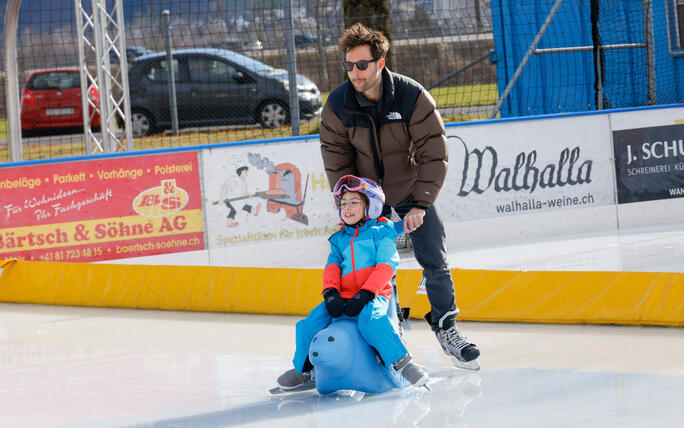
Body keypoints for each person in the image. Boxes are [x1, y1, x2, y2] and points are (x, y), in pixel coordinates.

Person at [318, 23, 480, 366]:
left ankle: (446, 327)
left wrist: (421, 202)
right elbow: (337, 161)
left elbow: (433, 151)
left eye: (362, 65)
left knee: (435, 259)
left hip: (409, 190)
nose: (354, 73)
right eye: (348, 66)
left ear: (380, 62)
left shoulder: (411, 96)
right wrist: (351, 203)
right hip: (369, 198)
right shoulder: (338, 105)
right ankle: (391, 325)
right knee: (372, 264)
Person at [276, 175, 428, 391]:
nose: (347, 208)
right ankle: (305, 370)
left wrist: (366, 293)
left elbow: (386, 265)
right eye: (343, 203)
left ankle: (403, 362)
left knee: (372, 321)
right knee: (307, 325)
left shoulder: (382, 232)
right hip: (344, 294)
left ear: (372, 206)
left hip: (374, 294)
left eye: (354, 202)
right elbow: (332, 268)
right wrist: (330, 293)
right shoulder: (338, 239)